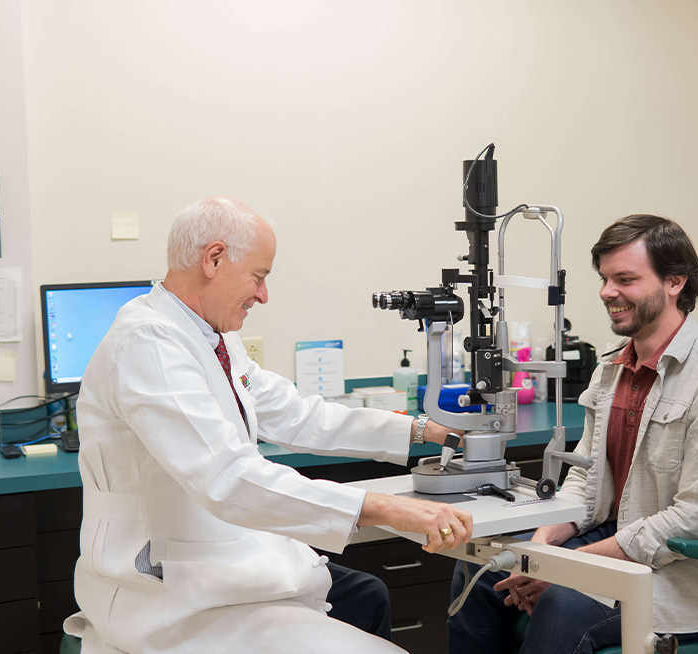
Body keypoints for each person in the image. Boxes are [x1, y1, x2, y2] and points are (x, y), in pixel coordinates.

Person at [63, 196, 473, 654]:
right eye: (258, 277)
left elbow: (298, 414)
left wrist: (422, 430)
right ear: (214, 258)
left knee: (365, 595)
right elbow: (228, 477)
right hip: (169, 592)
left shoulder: (210, 336)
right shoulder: (148, 342)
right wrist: (382, 507)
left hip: (218, 561)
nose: (262, 295)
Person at [448, 214, 698, 654]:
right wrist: (540, 547)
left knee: (561, 602)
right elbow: (585, 477)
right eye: (604, 279)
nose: (607, 293)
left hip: (690, 575)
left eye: (625, 279)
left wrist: (563, 567)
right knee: (479, 570)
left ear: (675, 282)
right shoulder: (612, 369)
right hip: (619, 542)